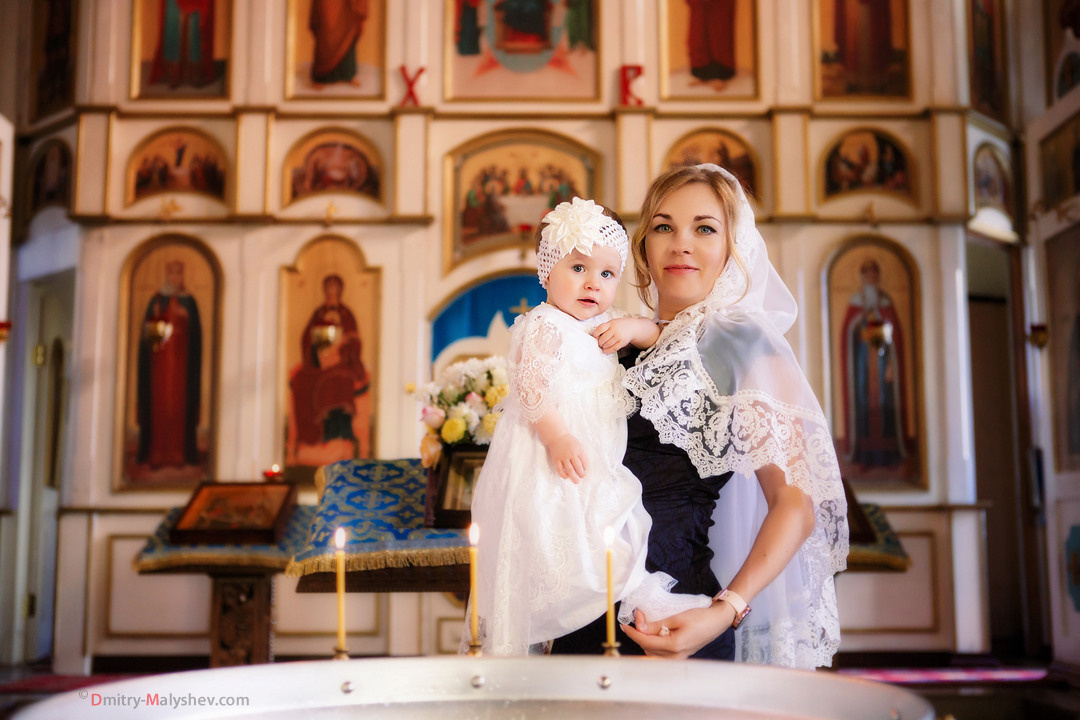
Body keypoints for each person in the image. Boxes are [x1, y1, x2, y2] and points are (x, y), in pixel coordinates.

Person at [551, 164, 848, 668]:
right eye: (664, 227)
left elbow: (796, 505)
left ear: (734, 247)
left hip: (679, 618)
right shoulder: (606, 337)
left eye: (704, 228)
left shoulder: (745, 346)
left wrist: (724, 610)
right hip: (578, 615)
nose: (681, 243)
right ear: (644, 245)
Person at [468, 197, 712, 656]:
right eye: (578, 268)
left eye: (606, 274)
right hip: (548, 452)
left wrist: (637, 327)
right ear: (546, 270)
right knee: (565, 524)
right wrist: (557, 436)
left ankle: (631, 595)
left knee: (608, 517)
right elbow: (530, 387)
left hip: (593, 451)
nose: (593, 284)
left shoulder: (603, 322)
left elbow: (663, 335)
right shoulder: (544, 325)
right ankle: (574, 597)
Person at [839, 258, 907, 469]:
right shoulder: (856, 301)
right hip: (861, 361)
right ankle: (865, 455)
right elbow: (847, 333)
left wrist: (890, 365)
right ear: (862, 278)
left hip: (882, 361)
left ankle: (887, 455)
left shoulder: (885, 301)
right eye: (867, 275)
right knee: (862, 400)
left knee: (885, 402)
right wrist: (859, 321)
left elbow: (895, 336)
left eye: (874, 275)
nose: (871, 278)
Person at [137, 260, 202, 469]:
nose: (175, 278)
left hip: (182, 367)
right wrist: (157, 318)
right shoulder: (156, 299)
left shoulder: (189, 301)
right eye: (171, 274)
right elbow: (149, 337)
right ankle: (157, 453)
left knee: (178, 407)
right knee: (160, 407)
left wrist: (185, 318)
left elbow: (196, 336)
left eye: (178, 274)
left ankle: (178, 454)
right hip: (160, 366)